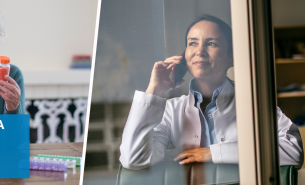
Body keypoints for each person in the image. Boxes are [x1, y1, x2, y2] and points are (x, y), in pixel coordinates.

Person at [119, 15, 303, 170]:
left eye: (211, 43)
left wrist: (214, 152)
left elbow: (294, 152)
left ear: (231, 57)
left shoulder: (253, 104)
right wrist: (154, 90)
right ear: (184, 57)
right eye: (192, 43)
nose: (199, 51)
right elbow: (134, 159)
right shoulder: (170, 110)